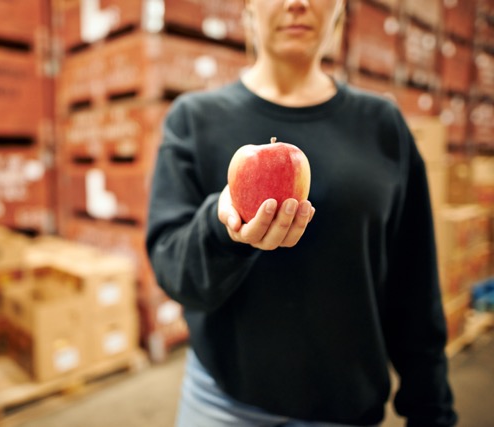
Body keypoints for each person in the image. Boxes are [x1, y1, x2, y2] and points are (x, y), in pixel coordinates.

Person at [145, 0, 458, 426]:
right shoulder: (194, 120)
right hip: (223, 405)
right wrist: (222, 231)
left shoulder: (382, 126)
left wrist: (432, 410)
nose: (298, 3)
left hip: (345, 411)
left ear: (340, 12)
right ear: (247, 8)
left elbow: (414, 286)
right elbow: (170, 267)